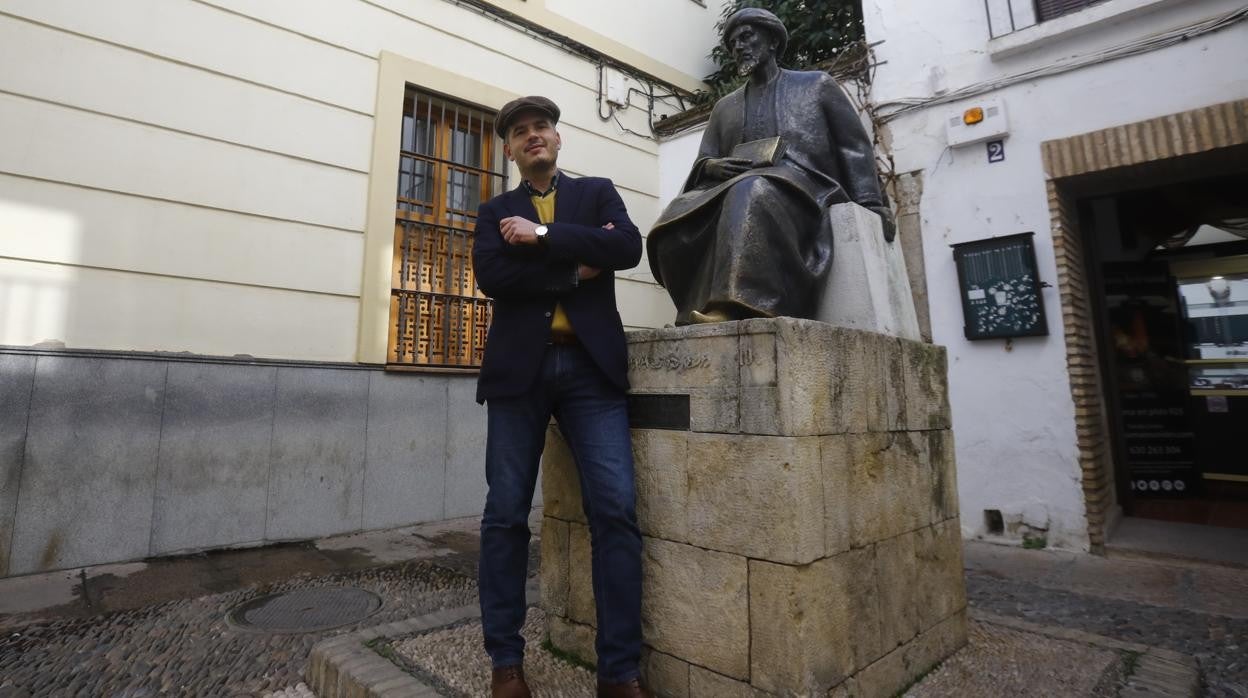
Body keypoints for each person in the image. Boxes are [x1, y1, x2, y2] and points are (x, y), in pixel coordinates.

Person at [470, 96, 649, 698]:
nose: (532, 136)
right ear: (510, 148)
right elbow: (494, 277)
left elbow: (625, 247)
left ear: (556, 137)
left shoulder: (597, 192)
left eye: (540, 127)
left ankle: (619, 671)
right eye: (519, 132)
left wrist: (542, 234)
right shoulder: (495, 209)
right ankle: (506, 660)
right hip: (519, 374)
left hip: (591, 373)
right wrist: (575, 267)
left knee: (617, 512)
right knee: (504, 516)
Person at [648, 8, 895, 325]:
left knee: (751, 190)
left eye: (747, 36)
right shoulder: (725, 107)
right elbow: (705, 158)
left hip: (808, 188)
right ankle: (694, 309)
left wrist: (871, 204)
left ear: (773, 42)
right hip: (738, 187)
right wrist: (712, 167)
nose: (739, 46)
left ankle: (735, 305)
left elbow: (853, 147)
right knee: (677, 216)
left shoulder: (817, 85)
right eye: (733, 41)